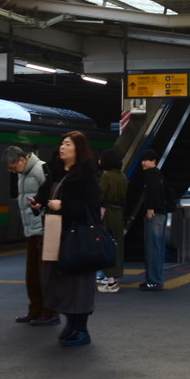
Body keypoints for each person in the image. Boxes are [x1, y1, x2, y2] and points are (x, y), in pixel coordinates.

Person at [42, 131, 102, 347]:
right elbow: (46, 196)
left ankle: (81, 329)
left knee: (78, 284)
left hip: (78, 239)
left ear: (78, 149)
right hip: (58, 235)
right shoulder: (58, 173)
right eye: (62, 143)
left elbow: (93, 208)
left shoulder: (86, 175)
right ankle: (70, 323)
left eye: (67, 144)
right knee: (61, 282)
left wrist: (64, 206)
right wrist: (39, 203)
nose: (62, 147)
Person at [3, 145, 59, 326]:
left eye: (13, 167)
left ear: (22, 159)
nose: (13, 171)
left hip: (42, 229)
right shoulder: (23, 174)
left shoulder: (41, 169)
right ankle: (35, 310)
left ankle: (50, 312)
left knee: (44, 274)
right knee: (32, 275)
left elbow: (51, 194)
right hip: (31, 230)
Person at [136, 149, 175, 291]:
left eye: (146, 160)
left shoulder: (152, 174)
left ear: (154, 161)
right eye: (143, 160)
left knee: (153, 247)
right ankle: (155, 279)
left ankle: (153, 280)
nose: (143, 162)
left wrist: (151, 206)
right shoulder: (159, 174)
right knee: (157, 247)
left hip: (154, 214)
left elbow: (154, 191)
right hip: (161, 213)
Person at [96, 149, 128, 293]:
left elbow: (100, 195)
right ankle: (114, 279)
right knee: (117, 246)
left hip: (107, 213)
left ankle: (110, 281)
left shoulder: (106, 176)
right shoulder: (122, 176)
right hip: (119, 213)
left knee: (106, 245)